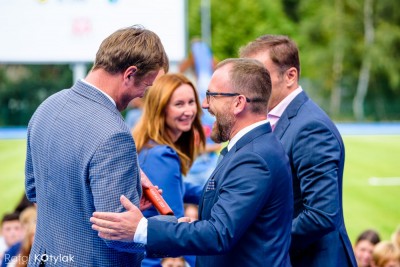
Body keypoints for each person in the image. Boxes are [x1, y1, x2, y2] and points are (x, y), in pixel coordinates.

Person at [90, 58, 294, 267]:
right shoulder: (254, 150)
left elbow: (218, 234)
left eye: (212, 95)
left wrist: (142, 229)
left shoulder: (254, 158)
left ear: (238, 103)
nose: (203, 105)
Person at [25, 25, 169, 266]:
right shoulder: (115, 134)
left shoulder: (47, 106)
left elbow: (34, 190)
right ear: (129, 73)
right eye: (146, 85)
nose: (143, 95)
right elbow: (117, 235)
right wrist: (165, 233)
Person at [239, 34, 357, 266]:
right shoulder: (271, 118)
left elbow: (321, 215)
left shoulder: (310, 127)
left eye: (261, 76)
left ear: (290, 76)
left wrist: (259, 240)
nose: (251, 86)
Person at [133, 73, 205, 266]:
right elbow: (176, 229)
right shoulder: (162, 155)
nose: (189, 110)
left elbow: (180, 187)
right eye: (179, 104)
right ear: (160, 108)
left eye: (191, 102)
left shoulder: (149, 148)